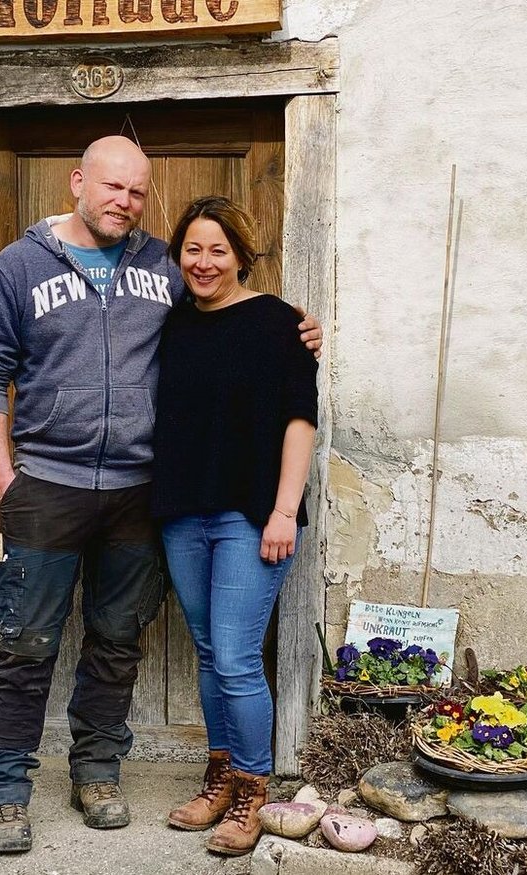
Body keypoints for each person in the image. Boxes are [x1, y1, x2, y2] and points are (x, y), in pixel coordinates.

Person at [0, 137, 322, 855]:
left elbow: (244, 316)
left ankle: (96, 771)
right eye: (111, 187)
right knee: (26, 646)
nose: (123, 201)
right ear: (77, 183)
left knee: (117, 643)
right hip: (48, 486)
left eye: (136, 190)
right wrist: (7, 479)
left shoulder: (163, 264)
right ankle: (4, 790)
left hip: (137, 492)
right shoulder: (19, 267)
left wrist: (299, 327)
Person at [152, 196, 318, 856]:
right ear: (178, 256)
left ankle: (254, 789)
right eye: (193, 248)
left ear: (242, 256)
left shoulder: (280, 324)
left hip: (252, 514)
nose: (203, 260)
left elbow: (300, 420)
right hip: (182, 511)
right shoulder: (171, 326)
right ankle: (220, 777)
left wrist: (284, 508)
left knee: (238, 653)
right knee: (210, 649)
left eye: (217, 249)